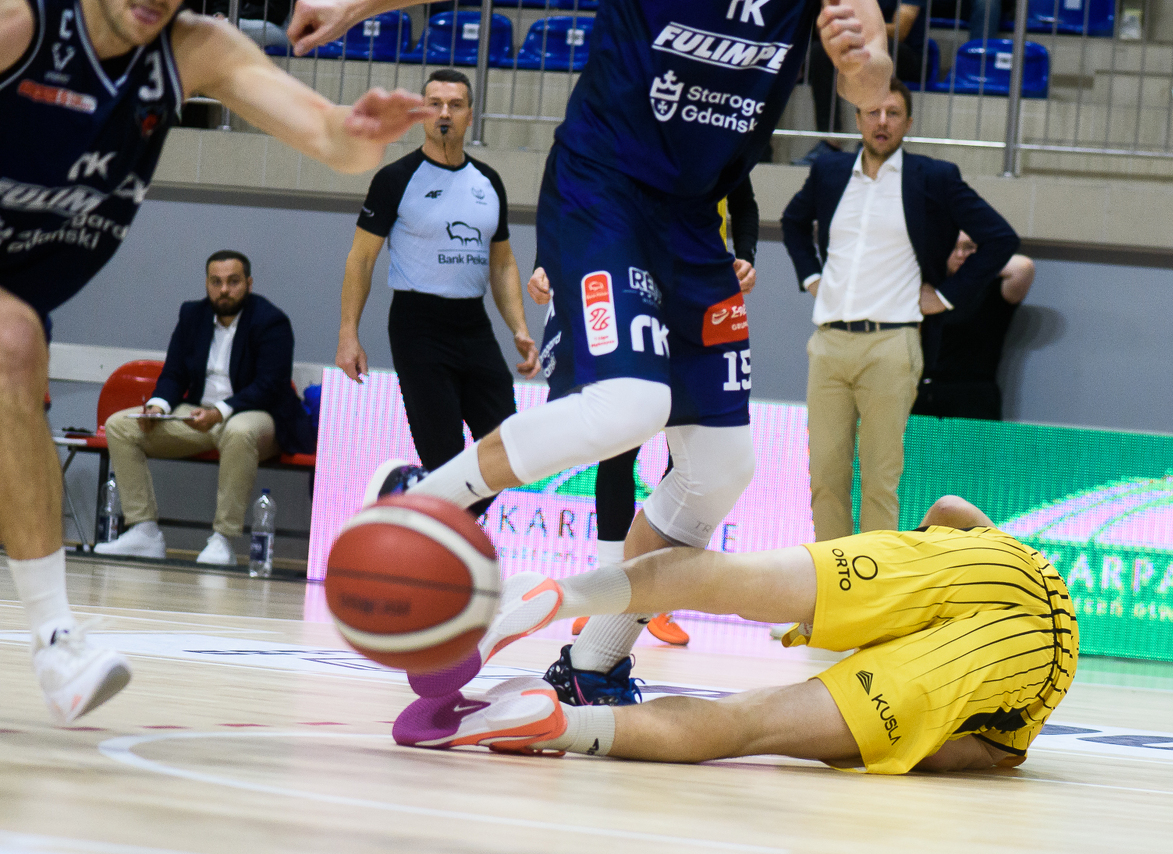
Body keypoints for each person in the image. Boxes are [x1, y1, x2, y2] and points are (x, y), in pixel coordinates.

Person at [299, 0, 894, 722]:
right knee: (631, 405)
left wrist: (863, 67)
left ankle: (591, 664)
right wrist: (350, 6)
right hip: (604, 190)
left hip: (694, 218)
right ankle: (420, 499)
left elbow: (872, 85)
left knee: (722, 466)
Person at [0, 0, 430, 723]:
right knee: (14, 342)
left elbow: (333, 140)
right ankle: (55, 640)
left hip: (20, 292)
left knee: (14, 349)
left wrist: (359, 134)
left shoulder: (193, 48)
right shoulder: (24, 25)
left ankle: (56, 643)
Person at [395, 494, 1077, 777]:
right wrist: (849, 735)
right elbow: (950, 755)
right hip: (997, 659)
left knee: (730, 577)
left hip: (982, 564)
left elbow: (950, 509)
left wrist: (889, 598)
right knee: (747, 724)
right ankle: (558, 725)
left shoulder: (1028, 556)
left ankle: (558, 595)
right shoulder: (1024, 721)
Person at [781, 77, 1018, 542]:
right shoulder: (829, 171)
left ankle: (876, 584)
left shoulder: (934, 177)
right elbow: (792, 222)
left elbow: (1000, 237)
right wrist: (811, 277)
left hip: (892, 344)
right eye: (873, 112)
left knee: (879, 480)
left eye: (893, 113)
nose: (882, 121)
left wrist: (945, 296)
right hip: (828, 342)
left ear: (908, 122)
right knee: (824, 477)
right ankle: (830, 581)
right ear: (857, 119)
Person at [529, 177, 761, 649]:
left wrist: (746, 255)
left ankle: (659, 600)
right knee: (619, 448)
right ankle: (604, 591)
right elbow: (567, 194)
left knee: (689, 461)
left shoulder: (719, 146)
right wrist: (544, 260)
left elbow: (744, 199)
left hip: (698, 297)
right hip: (632, 290)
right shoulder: (623, 147)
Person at [337, 68, 538, 513]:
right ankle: (437, 531)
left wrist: (520, 329)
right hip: (418, 325)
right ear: (422, 113)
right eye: (435, 104)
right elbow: (361, 259)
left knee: (510, 449)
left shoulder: (489, 181)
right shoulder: (395, 179)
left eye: (456, 105)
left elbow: (502, 262)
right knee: (444, 456)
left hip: (474, 324)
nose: (445, 113)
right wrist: (348, 334)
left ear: (470, 116)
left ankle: (416, 506)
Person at [95, 250, 313, 565]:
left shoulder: (271, 321)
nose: (224, 290)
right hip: (199, 414)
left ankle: (223, 539)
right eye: (216, 282)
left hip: (257, 415)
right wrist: (157, 407)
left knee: (239, 432)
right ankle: (144, 531)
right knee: (120, 425)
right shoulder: (192, 316)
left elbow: (270, 385)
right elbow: (174, 374)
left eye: (233, 282)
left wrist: (220, 411)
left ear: (249, 283)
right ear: (207, 284)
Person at [913, 236, 1034, 421]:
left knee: (972, 443)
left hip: (972, 397)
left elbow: (1023, 267)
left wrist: (975, 268)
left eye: (969, 248)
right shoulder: (930, 289)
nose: (961, 254)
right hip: (923, 392)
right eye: (953, 248)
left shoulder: (993, 291)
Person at [796, 0, 930, 166]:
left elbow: (900, 30)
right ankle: (829, 140)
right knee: (820, 52)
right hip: (865, 41)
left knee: (870, 54)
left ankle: (871, 140)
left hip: (906, 53)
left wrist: (858, 29)